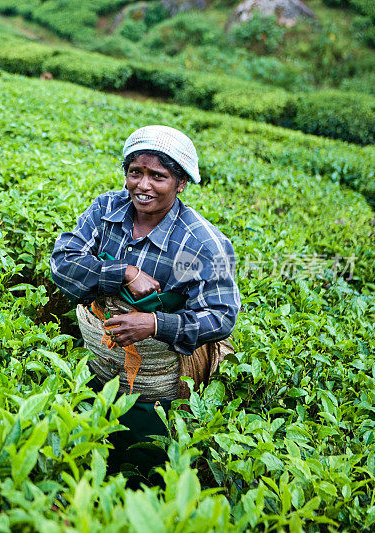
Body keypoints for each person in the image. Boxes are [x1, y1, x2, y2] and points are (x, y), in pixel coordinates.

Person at [50, 125, 241, 486]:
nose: (143, 185)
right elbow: (63, 264)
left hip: (156, 391)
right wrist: (123, 272)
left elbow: (221, 316)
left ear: (181, 183)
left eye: (159, 176)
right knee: (87, 461)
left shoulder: (201, 244)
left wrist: (154, 324)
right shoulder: (107, 209)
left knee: (145, 468)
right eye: (135, 172)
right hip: (98, 368)